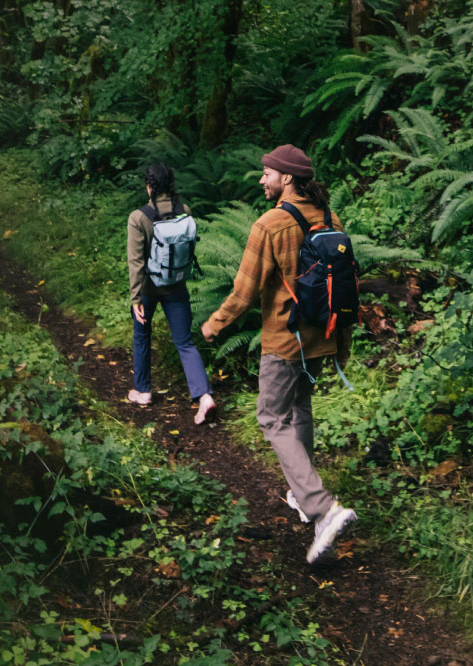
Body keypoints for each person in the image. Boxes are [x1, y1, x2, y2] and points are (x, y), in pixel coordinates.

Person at [201, 144, 357, 563]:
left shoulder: (270, 224)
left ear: (286, 178)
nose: (261, 179)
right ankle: (301, 496)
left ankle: (323, 508)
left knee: (270, 416)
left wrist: (215, 323)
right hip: (323, 336)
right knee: (299, 409)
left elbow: (245, 291)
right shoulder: (329, 218)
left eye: (266, 173)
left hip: (284, 340)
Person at [126, 162, 216, 425]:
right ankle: (204, 395)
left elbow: (136, 262)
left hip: (148, 289)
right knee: (185, 342)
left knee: (142, 335)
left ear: (149, 186)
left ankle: (143, 392)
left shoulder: (139, 217)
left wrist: (135, 298)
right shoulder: (184, 211)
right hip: (176, 285)